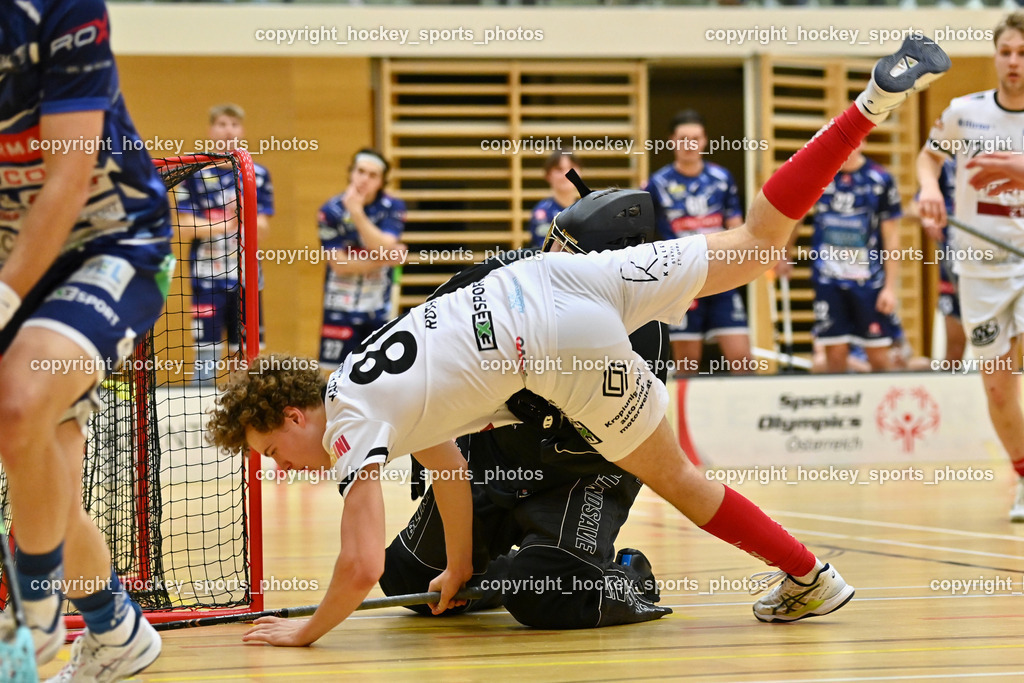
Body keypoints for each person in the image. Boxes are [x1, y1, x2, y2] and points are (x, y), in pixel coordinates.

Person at [206, 35, 949, 646]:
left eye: (271, 450)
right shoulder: (368, 379)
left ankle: (810, 573)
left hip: (554, 342)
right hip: (557, 279)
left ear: (295, 414)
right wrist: (459, 565)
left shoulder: (348, 425)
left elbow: (363, 558)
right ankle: (870, 104)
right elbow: (449, 464)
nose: (282, 466)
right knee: (757, 241)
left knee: (680, 481)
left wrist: (302, 631)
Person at [380, 176, 673, 628]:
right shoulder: (493, 277)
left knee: (546, 596)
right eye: (553, 242)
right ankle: (500, 575)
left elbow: (628, 440)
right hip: (492, 463)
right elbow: (421, 356)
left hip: (577, 476)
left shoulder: (644, 330)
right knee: (407, 579)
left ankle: (626, 575)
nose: (548, 259)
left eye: (566, 253)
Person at [0, 1, 177, 679]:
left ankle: (31, 616)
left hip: (108, 240)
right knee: (42, 463)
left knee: (18, 404)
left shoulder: (60, 9)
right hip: (13, 250)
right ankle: (115, 628)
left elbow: (68, 179)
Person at [917, 12, 1024, 522]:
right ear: (995, 55)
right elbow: (928, 159)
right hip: (979, 269)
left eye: (1023, 53)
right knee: (999, 386)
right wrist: (930, 189)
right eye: (1007, 51)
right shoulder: (964, 112)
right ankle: (1023, 477)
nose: (1014, 62)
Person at [645, 109, 752, 376]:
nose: (689, 144)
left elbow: (735, 224)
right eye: (683, 138)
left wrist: (742, 263)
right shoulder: (657, 184)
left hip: (721, 276)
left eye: (695, 138)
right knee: (687, 363)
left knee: (742, 359)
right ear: (672, 141)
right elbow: (646, 232)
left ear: (704, 141)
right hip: (683, 282)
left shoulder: (722, 178)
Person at [780, 142, 903, 373]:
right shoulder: (819, 176)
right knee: (834, 356)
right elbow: (795, 219)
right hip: (829, 281)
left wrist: (890, 288)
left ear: (863, 142)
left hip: (869, 283)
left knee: (878, 357)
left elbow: (892, 237)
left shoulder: (880, 180)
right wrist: (784, 254)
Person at [175, 103, 274, 385]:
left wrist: (243, 213)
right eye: (221, 124)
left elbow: (263, 229)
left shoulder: (257, 174)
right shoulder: (192, 173)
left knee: (244, 359)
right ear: (210, 130)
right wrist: (230, 221)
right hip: (206, 278)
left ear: (242, 131)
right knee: (206, 356)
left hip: (245, 278)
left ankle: (240, 419)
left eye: (234, 124)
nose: (228, 130)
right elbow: (184, 227)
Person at [318, 149, 407, 367]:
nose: (364, 179)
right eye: (360, 172)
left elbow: (384, 244)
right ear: (351, 173)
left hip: (378, 309)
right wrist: (386, 259)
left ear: (382, 182)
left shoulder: (392, 207)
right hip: (339, 307)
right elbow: (339, 264)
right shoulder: (330, 211)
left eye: (373, 175)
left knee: (378, 374)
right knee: (333, 375)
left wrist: (357, 213)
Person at [911, 159, 965, 363]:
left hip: (1000, 272)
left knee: (1007, 350)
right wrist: (926, 215)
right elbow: (912, 207)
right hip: (953, 274)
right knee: (954, 352)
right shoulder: (946, 163)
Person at [527, 150, 582, 249]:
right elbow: (547, 250)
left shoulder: (587, 209)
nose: (566, 174)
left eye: (571, 168)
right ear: (548, 175)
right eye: (559, 169)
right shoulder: (542, 212)